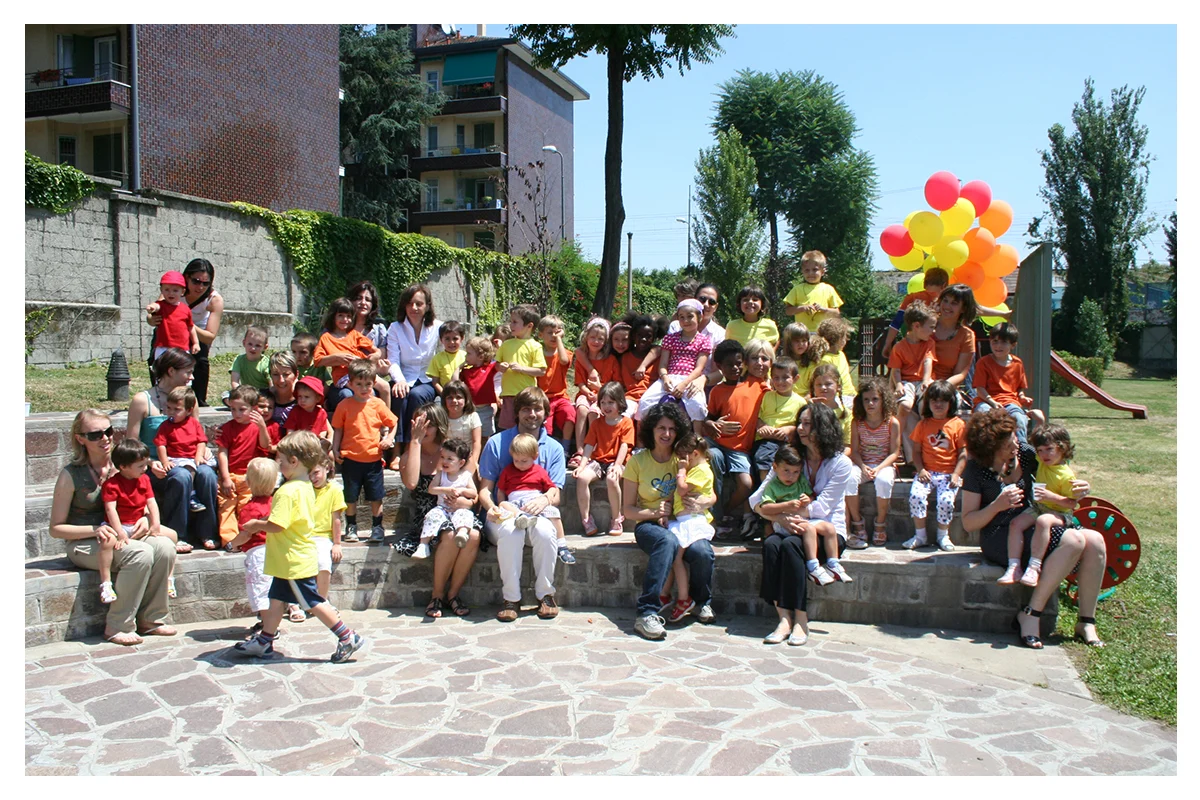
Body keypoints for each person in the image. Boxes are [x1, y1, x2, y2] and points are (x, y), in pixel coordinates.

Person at [960, 409, 1102, 649]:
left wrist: (1080, 488)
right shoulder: (976, 470)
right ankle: (1031, 614)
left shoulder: (1025, 455)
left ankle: (1086, 621)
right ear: (992, 447)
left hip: (1037, 523)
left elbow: (1058, 469)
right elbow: (968, 522)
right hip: (1002, 535)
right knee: (1074, 541)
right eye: (1009, 442)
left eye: (1016, 436)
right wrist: (997, 506)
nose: (1017, 443)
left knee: (1096, 540)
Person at [234, 431, 370, 663]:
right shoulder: (305, 486)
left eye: (281, 461)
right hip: (288, 559)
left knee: (313, 602)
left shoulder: (287, 491)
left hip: (293, 560)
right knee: (276, 599)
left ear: (294, 461)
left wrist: (256, 525)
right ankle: (265, 641)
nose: (279, 466)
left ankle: (347, 636)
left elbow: (277, 525)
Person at [50, 410, 177, 646]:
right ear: (80, 439)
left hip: (124, 533)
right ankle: (118, 625)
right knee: (140, 553)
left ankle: (152, 619)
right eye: (95, 434)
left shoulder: (124, 464)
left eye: (108, 431)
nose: (105, 438)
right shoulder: (71, 475)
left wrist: (146, 518)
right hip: (85, 543)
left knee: (165, 547)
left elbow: (144, 502)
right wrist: (94, 529)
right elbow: (56, 529)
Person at [752, 402, 855, 647]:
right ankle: (783, 618)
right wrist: (778, 517)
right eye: (799, 422)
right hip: (788, 525)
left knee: (790, 546)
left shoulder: (840, 463)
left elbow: (823, 508)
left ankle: (800, 618)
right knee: (772, 544)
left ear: (823, 427)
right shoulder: (791, 457)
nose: (800, 428)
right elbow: (755, 500)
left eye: (807, 424)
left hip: (827, 532)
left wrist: (781, 510)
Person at [625, 402, 717, 640]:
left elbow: (709, 490)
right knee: (667, 542)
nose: (667, 434)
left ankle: (701, 602)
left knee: (702, 551)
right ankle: (647, 612)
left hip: (684, 522)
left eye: (672, 429)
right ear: (651, 430)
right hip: (649, 524)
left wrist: (705, 502)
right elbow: (628, 510)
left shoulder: (684, 458)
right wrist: (655, 512)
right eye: (661, 428)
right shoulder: (637, 462)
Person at [477, 387, 566, 622]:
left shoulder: (554, 448)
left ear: (545, 412)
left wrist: (544, 499)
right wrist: (492, 507)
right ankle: (511, 599)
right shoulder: (497, 443)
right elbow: (484, 489)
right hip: (504, 515)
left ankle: (545, 595)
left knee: (546, 532)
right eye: (526, 409)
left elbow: (555, 493)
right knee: (510, 531)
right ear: (517, 412)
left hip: (536, 515)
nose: (532, 414)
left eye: (537, 409)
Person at [126, 348, 218, 549]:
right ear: (170, 371)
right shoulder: (143, 400)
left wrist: (203, 450)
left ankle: (208, 532)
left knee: (208, 475)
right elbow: (131, 444)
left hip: (188, 459)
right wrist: (151, 463)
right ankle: (177, 534)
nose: (192, 377)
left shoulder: (189, 399)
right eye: (188, 372)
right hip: (156, 464)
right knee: (181, 476)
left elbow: (196, 433)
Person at [399, 405, 482, 619]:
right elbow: (411, 483)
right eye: (417, 423)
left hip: (459, 511)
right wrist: (415, 442)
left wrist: (464, 501)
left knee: (473, 535)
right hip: (429, 515)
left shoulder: (453, 452)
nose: (421, 428)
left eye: (426, 424)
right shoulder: (409, 454)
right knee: (450, 535)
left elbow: (473, 492)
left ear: (438, 426)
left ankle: (453, 594)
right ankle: (436, 595)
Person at [701, 339, 772, 537]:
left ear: (744, 363)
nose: (735, 368)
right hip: (718, 443)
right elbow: (709, 418)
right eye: (729, 364)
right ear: (719, 367)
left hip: (739, 449)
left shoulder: (756, 385)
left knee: (746, 484)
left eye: (738, 363)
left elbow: (778, 393)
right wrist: (711, 424)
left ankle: (723, 511)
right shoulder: (717, 391)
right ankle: (713, 516)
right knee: (712, 457)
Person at [754, 443, 851, 588]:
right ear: (775, 467)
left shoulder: (800, 480)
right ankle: (813, 566)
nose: (791, 476)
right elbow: (763, 507)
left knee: (829, 528)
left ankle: (833, 564)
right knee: (804, 532)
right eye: (786, 471)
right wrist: (785, 507)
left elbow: (812, 497)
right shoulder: (772, 486)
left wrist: (808, 499)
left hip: (806, 518)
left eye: (795, 472)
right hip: (787, 521)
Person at [998, 424, 1082, 587]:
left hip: (1060, 513)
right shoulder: (1042, 462)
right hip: (1039, 508)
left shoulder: (1066, 475)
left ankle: (1034, 567)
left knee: (1043, 521)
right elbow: (1027, 444)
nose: (1044, 454)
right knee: (1015, 524)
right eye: (1040, 450)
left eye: (1049, 449)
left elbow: (1072, 504)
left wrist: (1051, 497)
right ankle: (1014, 567)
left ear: (1063, 448)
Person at [101, 438, 178, 602]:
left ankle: (169, 578)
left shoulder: (144, 479)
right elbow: (110, 509)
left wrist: (155, 524)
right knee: (107, 542)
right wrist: (120, 533)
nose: (145, 468)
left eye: (145, 464)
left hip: (138, 523)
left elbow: (151, 503)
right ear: (123, 467)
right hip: (118, 525)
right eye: (140, 466)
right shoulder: (112, 485)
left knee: (172, 536)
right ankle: (106, 583)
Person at [333, 359, 398, 543]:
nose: (364, 388)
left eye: (368, 384)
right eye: (359, 384)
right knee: (350, 497)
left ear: (374, 383)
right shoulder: (344, 405)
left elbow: (393, 423)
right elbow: (338, 429)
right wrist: (335, 449)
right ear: (350, 383)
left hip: (373, 460)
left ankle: (377, 527)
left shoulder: (378, 404)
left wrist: (388, 438)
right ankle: (351, 526)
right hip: (350, 460)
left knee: (376, 496)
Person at [147, 258, 224, 405]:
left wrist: (185, 323)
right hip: (169, 332)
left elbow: (209, 337)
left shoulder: (214, 300)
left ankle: (197, 401)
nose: (200, 287)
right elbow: (155, 313)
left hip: (196, 333)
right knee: (158, 361)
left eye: (205, 283)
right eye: (196, 281)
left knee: (200, 362)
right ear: (186, 277)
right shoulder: (173, 290)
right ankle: (160, 396)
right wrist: (150, 318)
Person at [904, 380, 967, 551]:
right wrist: (921, 470)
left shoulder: (958, 425)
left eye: (943, 401)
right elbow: (916, 452)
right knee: (916, 496)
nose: (938, 405)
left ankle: (942, 535)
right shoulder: (923, 425)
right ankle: (920, 536)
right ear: (928, 403)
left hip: (949, 474)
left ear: (951, 402)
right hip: (927, 473)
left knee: (946, 501)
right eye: (934, 401)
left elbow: (963, 453)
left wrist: (956, 474)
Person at [663, 435, 717, 623]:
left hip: (692, 521)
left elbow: (682, 489)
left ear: (694, 454)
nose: (681, 460)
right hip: (683, 520)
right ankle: (670, 595)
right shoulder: (695, 468)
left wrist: (681, 471)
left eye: (683, 457)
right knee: (673, 555)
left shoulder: (699, 470)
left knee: (688, 555)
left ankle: (688, 599)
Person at [494, 434, 572, 563]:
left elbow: (552, 487)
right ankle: (521, 517)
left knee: (554, 513)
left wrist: (547, 497)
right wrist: (501, 503)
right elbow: (501, 490)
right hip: (515, 502)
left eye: (524, 461)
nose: (520, 464)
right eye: (516, 460)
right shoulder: (508, 471)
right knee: (503, 505)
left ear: (535, 456)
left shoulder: (539, 471)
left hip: (535, 500)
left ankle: (562, 544)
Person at [846, 376, 901, 548]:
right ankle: (857, 522)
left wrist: (878, 468)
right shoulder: (857, 423)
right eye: (866, 399)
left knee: (884, 481)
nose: (870, 403)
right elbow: (854, 451)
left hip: (883, 464)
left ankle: (880, 522)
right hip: (863, 464)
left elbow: (894, 453)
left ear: (883, 400)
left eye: (875, 399)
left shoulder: (892, 423)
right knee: (849, 479)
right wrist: (863, 467)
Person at [574, 381, 635, 537]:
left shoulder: (626, 422)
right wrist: (582, 465)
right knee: (582, 478)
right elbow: (589, 445)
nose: (606, 406)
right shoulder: (597, 423)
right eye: (603, 402)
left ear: (620, 402)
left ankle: (616, 518)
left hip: (617, 461)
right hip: (598, 461)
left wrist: (617, 465)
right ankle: (586, 519)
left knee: (612, 479)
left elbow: (625, 445)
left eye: (611, 402)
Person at [387, 284, 443, 456]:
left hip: (427, 379)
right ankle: (397, 449)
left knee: (417, 395)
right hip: (404, 377)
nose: (414, 308)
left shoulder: (438, 327)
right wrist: (399, 380)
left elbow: (444, 355)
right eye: (410, 303)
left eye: (419, 304)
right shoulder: (395, 328)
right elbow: (393, 360)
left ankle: (411, 446)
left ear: (427, 306)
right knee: (399, 394)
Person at [229, 457, 280, 637]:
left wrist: (232, 544)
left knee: (261, 591)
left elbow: (245, 535)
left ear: (249, 482)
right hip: (277, 551)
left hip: (258, 553)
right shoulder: (276, 503)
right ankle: (270, 624)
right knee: (272, 591)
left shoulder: (249, 509)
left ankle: (269, 629)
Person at [637, 299, 711, 422]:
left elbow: (699, 368)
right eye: (681, 317)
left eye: (690, 316)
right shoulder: (670, 338)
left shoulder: (704, 340)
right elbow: (663, 364)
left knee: (697, 405)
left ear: (700, 317)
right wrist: (665, 378)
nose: (685, 321)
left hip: (690, 380)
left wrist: (684, 384)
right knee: (646, 401)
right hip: (669, 378)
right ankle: (642, 432)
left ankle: (697, 433)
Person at [216, 385, 273, 546]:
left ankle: (246, 540)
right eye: (233, 409)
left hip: (250, 478)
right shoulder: (227, 428)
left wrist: (262, 426)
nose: (237, 414)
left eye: (242, 409)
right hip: (230, 475)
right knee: (226, 508)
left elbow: (266, 445)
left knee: (246, 508)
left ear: (254, 409)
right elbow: (222, 453)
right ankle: (230, 541)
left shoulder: (257, 427)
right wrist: (225, 478)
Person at [972, 321, 1044, 444]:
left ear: (1013, 345)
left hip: (1010, 401)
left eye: (1003, 342)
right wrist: (992, 402)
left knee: (1019, 418)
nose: (998, 346)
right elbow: (980, 389)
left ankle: (1021, 446)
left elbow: (1019, 388)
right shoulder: (983, 362)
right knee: (983, 416)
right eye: (995, 341)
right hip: (986, 401)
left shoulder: (1017, 363)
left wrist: (1022, 397)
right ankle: (985, 448)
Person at [888, 301, 937, 462]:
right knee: (905, 405)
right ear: (916, 326)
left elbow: (928, 362)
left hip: (923, 380)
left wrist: (926, 380)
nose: (934, 331)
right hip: (907, 381)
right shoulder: (899, 347)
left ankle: (927, 446)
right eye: (931, 327)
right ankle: (896, 444)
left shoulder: (929, 343)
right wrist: (898, 384)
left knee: (927, 407)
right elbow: (896, 370)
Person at [415, 437, 478, 559]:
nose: (444, 461)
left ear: (461, 463)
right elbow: (431, 489)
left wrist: (462, 490)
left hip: (459, 509)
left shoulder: (465, 476)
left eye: (450, 459)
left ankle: (462, 533)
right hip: (442, 508)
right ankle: (423, 545)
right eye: (442, 457)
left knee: (465, 515)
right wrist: (445, 490)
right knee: (431, 516)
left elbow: (474, 493)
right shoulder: (441, 475)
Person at [315, 297, 383, 412]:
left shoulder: (353, 334)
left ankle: (384, 418)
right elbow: (318, 361)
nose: (345, 319)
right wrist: (337, 358)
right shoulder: (327, 338)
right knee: (364, 394)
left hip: (362, 372)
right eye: (340, 315)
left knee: (384, 387)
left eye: (348, 316)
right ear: (333, 316)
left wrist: (376, 355)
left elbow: (375, 350)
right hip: (343, 376)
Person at [152, 386, 212, 514]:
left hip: (192, 457)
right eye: (169, 408)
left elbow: (201, 441)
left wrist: (199, 456)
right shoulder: (165, 426)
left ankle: (208, 520)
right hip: (176, 458)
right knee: (188, 470)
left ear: (189, 410)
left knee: (208, 472)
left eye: (177, 409)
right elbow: (161, 445)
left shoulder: (194, 424)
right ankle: (192, 496)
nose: (171, 412)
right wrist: (165, 462)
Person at [495, 304, 548, 431]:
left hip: (526, 395)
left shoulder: (535, 346)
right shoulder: (506, 344)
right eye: (511, 321)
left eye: (515, 322)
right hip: (508, 394)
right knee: (507, 428)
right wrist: (500, 366)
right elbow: (497, 364)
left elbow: (541, 371)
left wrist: (521, 368)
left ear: (529, 326)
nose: (510, 325)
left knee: (526, 427)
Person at [880, 266, 950, 361]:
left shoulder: (911, 298)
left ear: (925, 283)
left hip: (912, 347)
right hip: (940, 348)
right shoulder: (947, 302)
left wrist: (887, 343)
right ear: (944, 285)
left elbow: (896, 322)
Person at [753, 356, 805, 483]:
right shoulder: (766, 396)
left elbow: (802, 424)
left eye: (785, 377)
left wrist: (790, 429)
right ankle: (766, 486)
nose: (780, 381)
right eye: (776, 377)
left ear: (795, 379)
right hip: (766, 440)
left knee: (791, 460)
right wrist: (762, 426)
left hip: (787, 441)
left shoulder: (800, 402)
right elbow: (756, 417)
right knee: (764, 456)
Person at [308, 443, 347, 599]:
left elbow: (336, 519)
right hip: (303, 535)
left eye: (316, 472)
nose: (313, 478)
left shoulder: (334, 490)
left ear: (327, 468)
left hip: (322, 537)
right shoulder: (304, 489)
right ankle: (294, 605)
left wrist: (337, 543)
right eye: (309, 473)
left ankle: (321, 601)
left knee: (323, 565)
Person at [537, 315, 576, 453]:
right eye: (550, 333)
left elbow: (564, 361)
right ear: (541, 335)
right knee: (545, 423)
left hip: (560, 397)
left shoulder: (565, 353)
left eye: (557, 332)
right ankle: (546, 449)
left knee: (569, 413)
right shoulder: (537, 353)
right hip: (542, 397)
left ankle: (565, 448)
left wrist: (559, 340)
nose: (554, 336)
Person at [783, 250, 842, 333]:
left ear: (822, 271)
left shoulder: (828, 289)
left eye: (815, 270)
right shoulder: (797, 289)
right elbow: (788, 311)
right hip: (802, 333)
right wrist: (803, 308)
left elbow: (836, 313)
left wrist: (823, 309)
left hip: (822, 333)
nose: (811, 273)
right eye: (807, 270)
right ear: (802, 271)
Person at [145, 270, 199, 360]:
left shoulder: (186, 309)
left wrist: (195, 343)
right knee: (162, 368)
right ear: (161, 290)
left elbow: (190, 327)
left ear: (182, 292)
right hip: (163, 347)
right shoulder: (162, 305)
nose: (171, 293)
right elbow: (156, 306)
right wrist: (152, 307)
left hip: (182, 348)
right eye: (167, 290)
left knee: (184, 367)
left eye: (175, 290)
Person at [457, 335, 499, 440]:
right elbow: (455, 381)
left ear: (480, 357)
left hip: (485, 409)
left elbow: (500, 362)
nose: (466, 356)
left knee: (485, 436)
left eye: (469, 353)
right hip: (469, 409)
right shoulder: (466, 371)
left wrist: (499, 348)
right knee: (469, 436)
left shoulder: (490, 368)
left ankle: (484, 451)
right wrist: (459, 367)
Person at [442, 380, 482, 475]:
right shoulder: (442, 418)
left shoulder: (472, 416)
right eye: (450, 398)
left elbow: (476, 442)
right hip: (448, 459)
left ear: (466, 399)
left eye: (458, 397)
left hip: (468, 458)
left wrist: (474, 462)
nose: (454, 401)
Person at [815, 317, 857, 401]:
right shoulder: (826, 360)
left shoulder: (841, 354)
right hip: (839, 396)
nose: (846, 340)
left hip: (851, 394)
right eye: (844, 337)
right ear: (838, 339)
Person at [284, 376, 333, 440]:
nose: (302, 400)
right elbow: (290, 430)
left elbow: (323, 429)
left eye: (306, 397)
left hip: (315, 442)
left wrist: (321, 437)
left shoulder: (321, 413)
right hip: (298, 442)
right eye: (300, 396)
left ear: (317, 399)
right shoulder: (295, 411)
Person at [426, 320, 467, 397]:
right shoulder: (437, 358)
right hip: (446, 394)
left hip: (465, 395)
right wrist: (444, 394)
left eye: (455, 338)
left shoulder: (466, 357)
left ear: (462, 338)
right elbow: (435, 382)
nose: (451, 342)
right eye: (447, 339)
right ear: (441, 340)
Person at [230, 325, 271, 392]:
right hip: (246, 392)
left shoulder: (267, 363)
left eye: (258, 345)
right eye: (250, 344)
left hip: (263, 392)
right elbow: (234, 382)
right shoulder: (239, 360)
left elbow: (272, 385)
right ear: (244, 343)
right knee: (226, 395)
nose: (253, 348)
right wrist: (239, 394)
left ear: (265, 347)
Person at [266, 351, 299, 425]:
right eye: (275, 374)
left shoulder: (304, 399)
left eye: (286, 374)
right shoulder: (264, 399)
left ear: (296, 375)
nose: (281, 380)